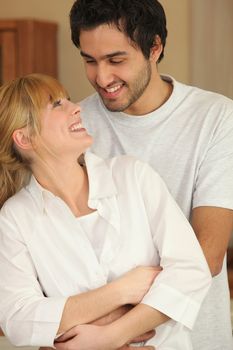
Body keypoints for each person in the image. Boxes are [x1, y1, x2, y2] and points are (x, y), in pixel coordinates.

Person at [0, 74, 211, 350]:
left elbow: (191, 271)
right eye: (57, 104)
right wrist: (120, 292)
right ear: (25, 138)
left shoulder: (132, 176)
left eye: (67, 99)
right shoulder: (15, 218)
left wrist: (111, 335)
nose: (76, 107)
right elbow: (19, 319)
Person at [69, 1, 233, 350]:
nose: (102, 77)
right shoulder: (73, 124)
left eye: (116, 60)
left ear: (154, 48)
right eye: (89, 60)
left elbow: (208, 256)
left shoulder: (217, 118)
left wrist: (116, 328)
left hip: (194, 338)